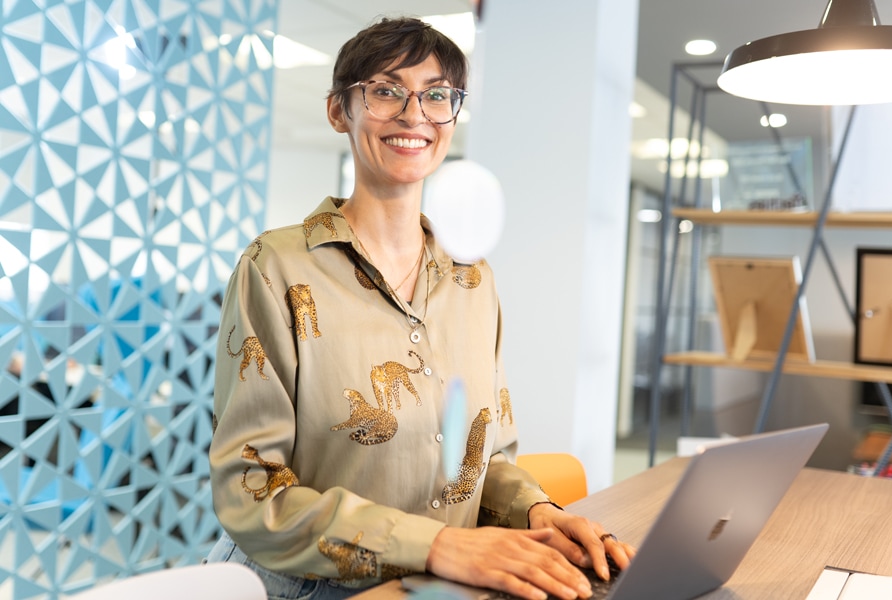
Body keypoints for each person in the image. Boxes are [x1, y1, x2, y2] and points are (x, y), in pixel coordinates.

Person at [206, 15, 635, 600]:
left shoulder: (473, 280)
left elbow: (485, 458)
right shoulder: (276, 267)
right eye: (386, 91)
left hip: (442, 586)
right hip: (308, 587)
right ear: (340, 110)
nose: (415, 115)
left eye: (436, 96)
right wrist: (436, 545)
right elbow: (252, 486)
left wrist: (536, 511)